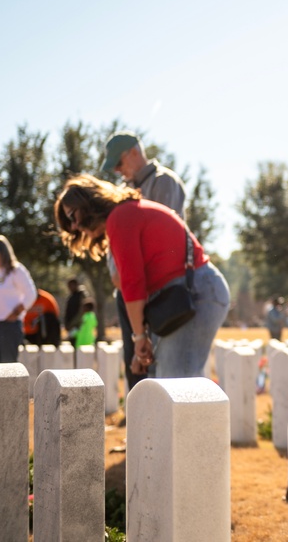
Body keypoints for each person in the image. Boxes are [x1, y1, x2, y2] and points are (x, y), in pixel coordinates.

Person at [55, 174, 229, 378]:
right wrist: (142, 338)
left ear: (88, 203)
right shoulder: (123, 215)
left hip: (197, 292)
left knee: (177, 383)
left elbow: (133, 283)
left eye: (72, 216)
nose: (74, 226)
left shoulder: (121, 217)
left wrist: (139, 338)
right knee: (166, 381)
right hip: (184, 294)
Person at [100, 131, 187, 389]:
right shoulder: (123, 192)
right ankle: (140, 425)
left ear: (134, 153)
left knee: (157, 363)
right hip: (128, 288)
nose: (117, 171)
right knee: (133, 362)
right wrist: (117, 274)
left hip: (155, 290)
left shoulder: (164, 183)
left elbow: (162, 240)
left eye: (119, 163)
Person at [0, 235, 38, 363]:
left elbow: (31, 293)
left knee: (7, 367)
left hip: (8, 325)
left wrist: (17, 312)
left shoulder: (16, 270)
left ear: (3, 251)